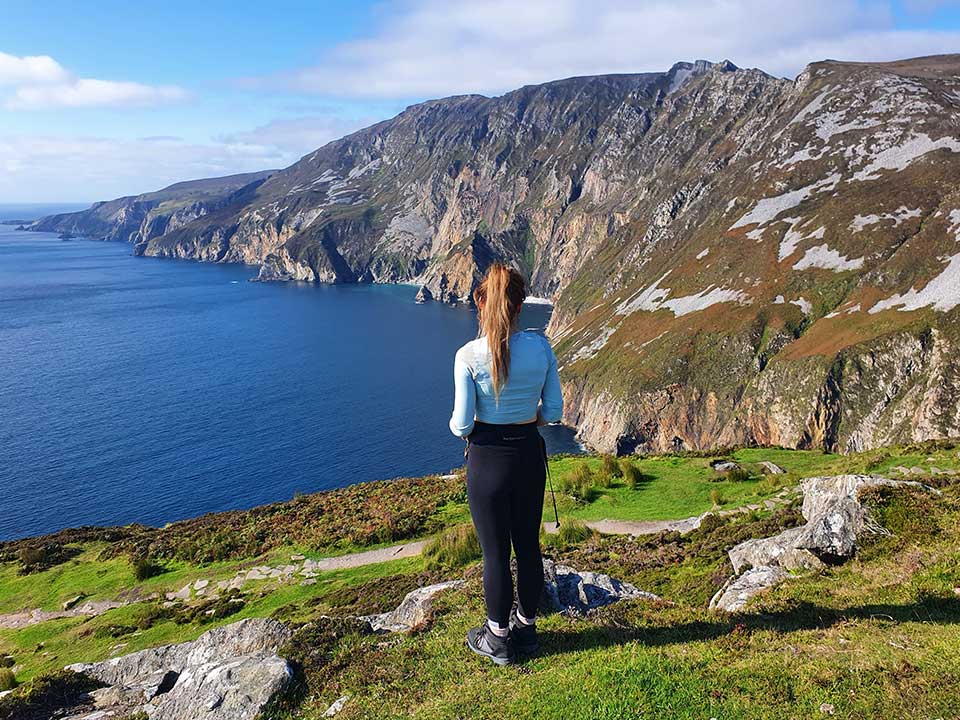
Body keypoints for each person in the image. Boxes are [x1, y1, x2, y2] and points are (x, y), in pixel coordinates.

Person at [448, 263, 564, 665]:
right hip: (529, 456)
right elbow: (553, 411)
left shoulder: (468, 356)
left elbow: (461, 424)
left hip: (487, 461)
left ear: (482, 302)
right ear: (519, 306)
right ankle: (527, 631)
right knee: (528, 546)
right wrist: (524, 417)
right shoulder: (541, 347)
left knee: (495, 554)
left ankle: (497, 638)